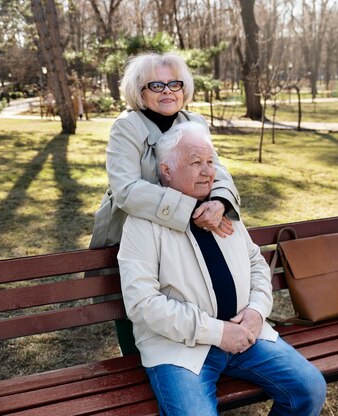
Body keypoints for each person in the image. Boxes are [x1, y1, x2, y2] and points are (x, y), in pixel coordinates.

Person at [118, 122, 326, 415]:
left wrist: (256, 312)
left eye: (210, 162)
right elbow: (142, 304)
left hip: (246, 335)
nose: (208, 172)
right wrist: (217, 333)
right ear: (166, 171)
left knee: (310, 389)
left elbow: (256, 263)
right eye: (195, 163)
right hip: (180, 348)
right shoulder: (142, 224)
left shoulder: (219, 208)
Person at [89, 53, 241, 354]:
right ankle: (136, 365)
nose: (168, 91)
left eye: (174, 83)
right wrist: (191, 210)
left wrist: (220, 201)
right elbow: (127, 190)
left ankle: (192, 356)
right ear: (139, 91)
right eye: (156, 85)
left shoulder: (195, 121)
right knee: (136, 301)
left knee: (179, 297)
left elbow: (217, 169)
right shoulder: (126, 127)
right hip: (130, 232)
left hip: (183, 232)